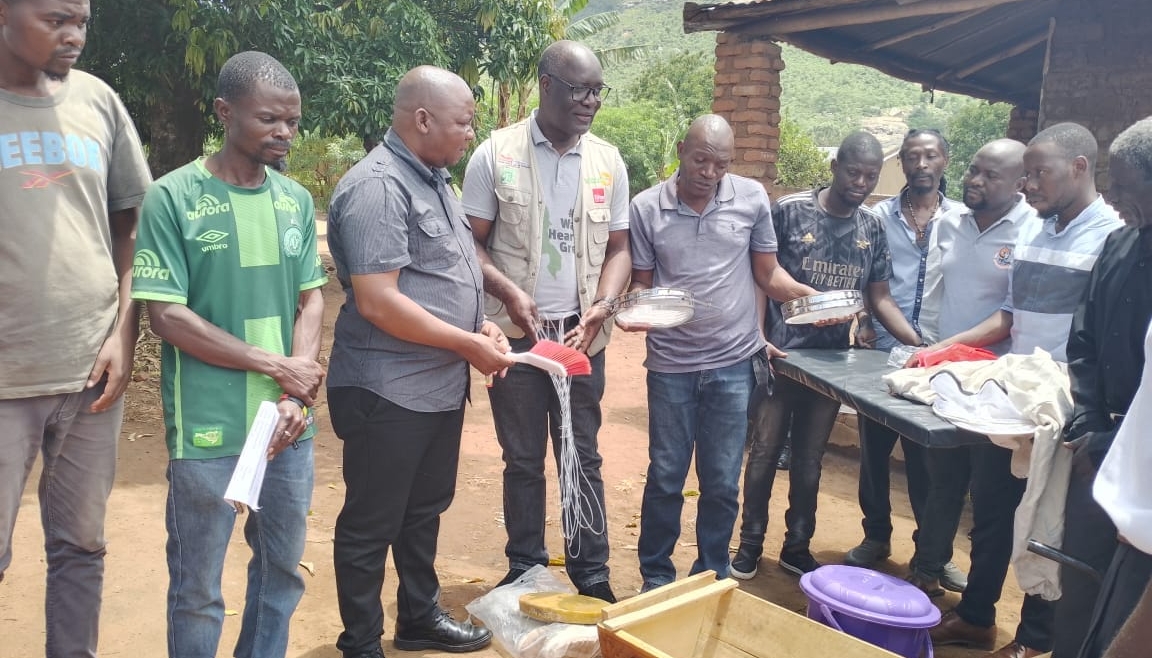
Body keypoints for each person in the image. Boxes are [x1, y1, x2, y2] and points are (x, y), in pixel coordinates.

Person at [132, 51, 326, 658]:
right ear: (224, 112)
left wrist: (296, 392)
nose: (284, 133)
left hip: (288, 429)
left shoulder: (293, 199)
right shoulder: (173, 197)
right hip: (208, 430)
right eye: (270, 119)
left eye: (292, 122)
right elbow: (167, 315)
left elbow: (310, 301)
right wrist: (276, 366)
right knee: (197, 589)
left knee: (280, 574)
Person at [326, 65, 512, 658]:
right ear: (423, 119)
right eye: (462, 123)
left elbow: (442, 275)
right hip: (387, 389)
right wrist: (466, 344)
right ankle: (360, 643)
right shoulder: (377, 186)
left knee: (423, 509)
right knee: (371, 523)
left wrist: (477, 323)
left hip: (435, 387)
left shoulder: (437, 181)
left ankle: (417, 617)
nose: (468, 134)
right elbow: (379, 301)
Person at [925, 123, 1123, 658]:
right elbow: (1009, 316)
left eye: (1040, 174)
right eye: (1027, 175)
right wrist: (947, 349)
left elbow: (1105, 336)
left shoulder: (1109, 238)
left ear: (1079, 169)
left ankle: (1034, 640)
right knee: (992, 511)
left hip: (1065, 408)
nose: (1028, 186)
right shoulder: (1033, 229)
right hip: (1015, 397)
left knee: (1046, 521)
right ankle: (975, 617)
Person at [0, 0, 152, 654]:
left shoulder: (98, 101)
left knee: (81, 547)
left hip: (92, 374)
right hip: (7, 377)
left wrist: (125, 332)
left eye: (83, 21)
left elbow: (132, 227)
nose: (75, 36)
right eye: (56, 18)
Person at [461, 40, 631, 602]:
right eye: (579, 89)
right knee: (524, 458)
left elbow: (620, 250)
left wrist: (603, 307)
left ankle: (592, 572)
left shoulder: (608, 161)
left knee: (582, 451)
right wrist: (509, 293)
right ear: (546, 85)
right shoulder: (495, 155)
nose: (589, 102)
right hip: (518, 340)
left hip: (583, 338)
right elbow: (472, 248)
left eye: (597, 91)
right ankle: (527, 565)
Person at [623, 115, 816, 590]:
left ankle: (711, 571)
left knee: (722, 480)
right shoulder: (647, 208)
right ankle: (656, 576)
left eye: (722, 164)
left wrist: (808, 300)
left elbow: (768, 275)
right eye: (701, 160)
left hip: (733, 363)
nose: (710, 173)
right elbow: (644, 284)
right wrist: (633, 310)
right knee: (667, 476)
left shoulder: (750, 199)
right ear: (681, 149)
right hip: (670, 365)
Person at [730, 131, 924, 579]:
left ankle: (797, 545)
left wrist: (917, 343)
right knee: (763, 454)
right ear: (835, 165)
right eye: (853, 172)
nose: (860, 182)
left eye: (870, 176)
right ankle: (749, 544)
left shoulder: (872, 227)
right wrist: (759, 337)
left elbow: (880, 297)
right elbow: (761, 276)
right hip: (782, 356)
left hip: (834, 364)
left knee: (810, 460)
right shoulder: (791, 212)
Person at [904, 139, 1035, 603]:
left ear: (1020, 184)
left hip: (996, 387)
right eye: (973, 170)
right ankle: (927, 570)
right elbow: (937, 292)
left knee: (991, 498)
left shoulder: (1032, 229)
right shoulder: (950, 220)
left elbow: (1010, 314)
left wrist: (946, 346)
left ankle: (978, 606)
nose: (975, 181)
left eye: (990, 175)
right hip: (945, 378)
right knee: (943, 481)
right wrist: (925, 347)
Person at [846, 129, 967, 595]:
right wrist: (864, 319)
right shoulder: (877, 217)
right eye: (913, 156)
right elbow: (862, 276)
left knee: (928, 460)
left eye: (930, 155)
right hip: (881, 355)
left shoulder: (963, 220)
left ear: (945, 160)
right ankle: (876, 537)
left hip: (936, 357)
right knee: (874, 453)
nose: (921, 163)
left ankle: (931, 552)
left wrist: (935, 347)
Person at [1072, 116, 1152, 658]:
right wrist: (1090, 423)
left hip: (1144, 471)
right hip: (1101, 444)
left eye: (1123, 186)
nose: (1112, 197)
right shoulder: (1118, 246)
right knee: (1083, 578)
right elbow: (1085, 341)